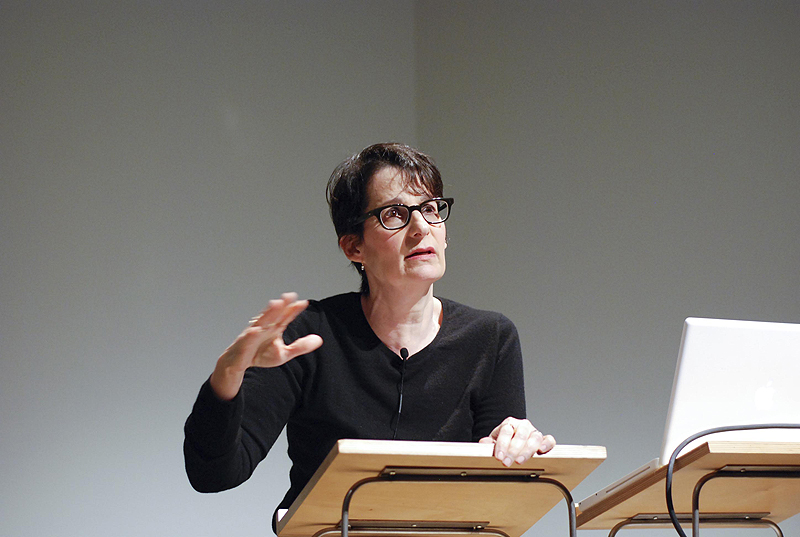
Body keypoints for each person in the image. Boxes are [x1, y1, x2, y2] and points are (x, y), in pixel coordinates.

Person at [183, 142, 555, 528]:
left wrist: (515, 444)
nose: (421, 227)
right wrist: (228, 375)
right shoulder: (309, 335)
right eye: (395, 214)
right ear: (353, 246)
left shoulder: (490, 338)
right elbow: (214, 475)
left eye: (430, 209)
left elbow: (494, 500)